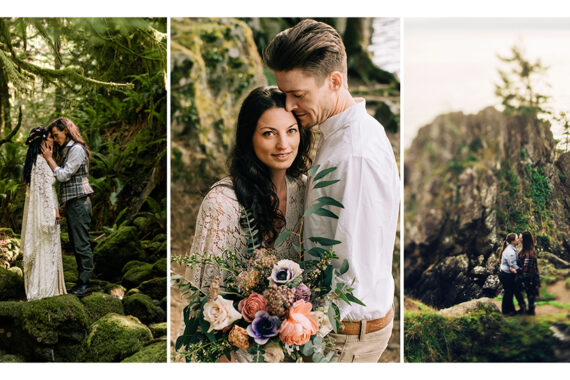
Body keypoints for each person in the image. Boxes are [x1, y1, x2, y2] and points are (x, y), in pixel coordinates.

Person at [264, 19, 400, 362]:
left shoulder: (352, 156)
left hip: (344, 337)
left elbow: (345, 268)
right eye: (285, 94)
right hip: (350, 328)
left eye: (299, 94)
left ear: (335, 81)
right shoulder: (353, 131)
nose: (289, 106)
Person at [185, 86, 313, 289]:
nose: (283, 144)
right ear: (249, 137)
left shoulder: (307, 192)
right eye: (269, 133)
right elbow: (203, 301)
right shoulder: (220, 205)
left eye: (291, 131)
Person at [41, 117, 94, 297]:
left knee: (81, 244)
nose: (55, 140)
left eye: (56, 135)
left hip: (80, 203)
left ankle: (85, 284)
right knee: (76, 243)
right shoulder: (69, 150)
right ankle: (82, 282)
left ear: (66, 131)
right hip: (73, 203)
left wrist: (49, 159)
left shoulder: (77, 150)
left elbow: (63, 176)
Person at [21, 126, 67, 300]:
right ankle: (44, 291)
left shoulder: (37, 161)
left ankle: (47, 288)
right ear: (41, 142)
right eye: (49, 137)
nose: (53, 140)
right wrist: (54, 212)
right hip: (47, 213)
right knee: (46, 249)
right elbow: (44, 192)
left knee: (47, 249)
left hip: (46, 211)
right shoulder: (40, 162)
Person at [498, 233, 526, 315]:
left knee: (509, 292)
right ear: (513, 241)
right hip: (506, 275)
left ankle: (509, 310)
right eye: (517, 239)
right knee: (508, 293)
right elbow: (513, 265)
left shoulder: (511, 248)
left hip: (504, 273)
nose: (518, 240)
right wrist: (522, 271)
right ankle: (507, 311)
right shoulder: (510, 252)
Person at [518, 231, 540, 315]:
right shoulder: (527, 250)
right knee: (530, 294)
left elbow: (526, 268)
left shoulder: (528, 253)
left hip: (529, 277)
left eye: (521, 237)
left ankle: (530, 311)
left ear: (524, 239)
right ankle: (529, 309)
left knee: (530, 294)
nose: (519, 238)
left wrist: (519, 272)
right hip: (530, 276)